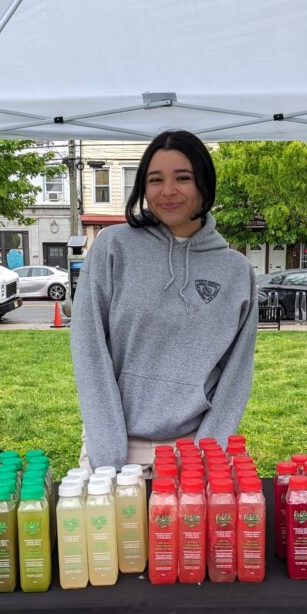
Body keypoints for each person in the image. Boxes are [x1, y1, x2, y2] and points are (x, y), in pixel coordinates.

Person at [70, 130, 257, 475]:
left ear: (204, 184)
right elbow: (89, 350)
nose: (167, 191)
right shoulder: (113, 248)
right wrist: (109, 456)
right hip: (115, 450)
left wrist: (206, 458)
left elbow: (237, 375)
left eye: (182, 178)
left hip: (195, 454)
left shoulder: (236, 272)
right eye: (155, 180)